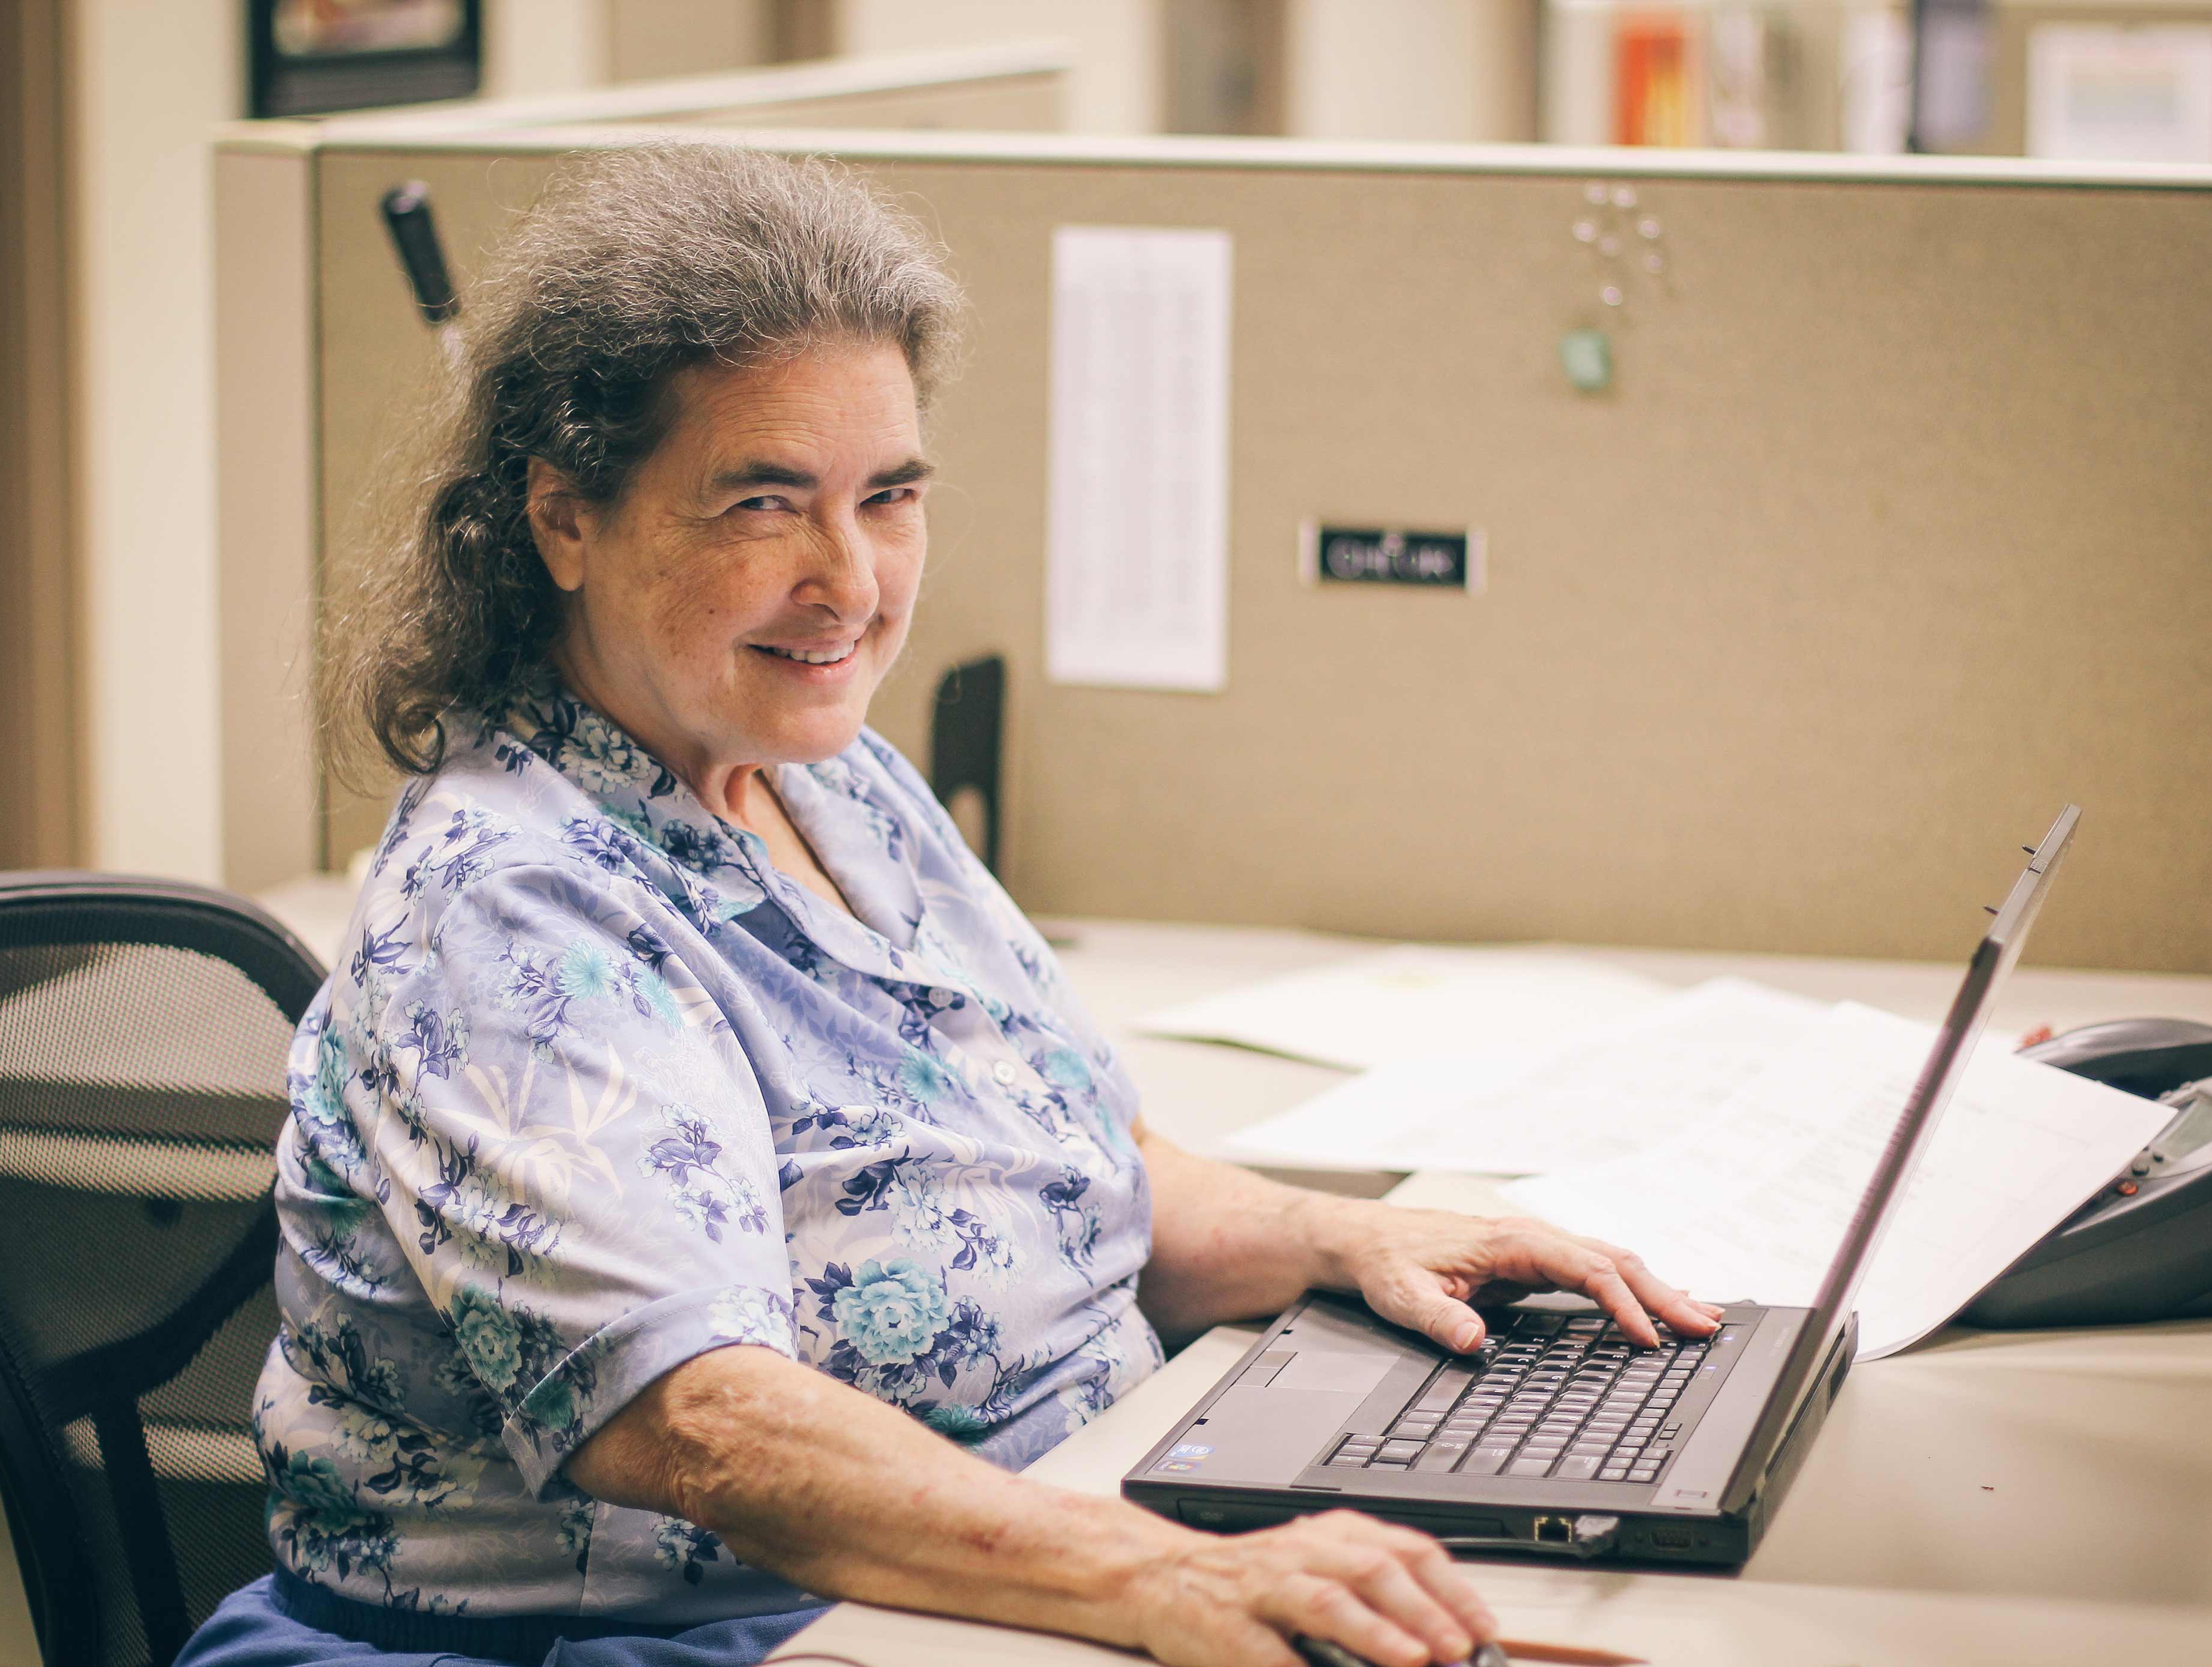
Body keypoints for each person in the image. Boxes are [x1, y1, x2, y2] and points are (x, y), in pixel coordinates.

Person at [175, 142, 1719, 1667]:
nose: (850, 582)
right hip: (695, 1631)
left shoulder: (826, 779)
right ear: (565, 518)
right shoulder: (509, 917)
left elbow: (1059, 1159)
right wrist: (1160, 1580)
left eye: (888, 495)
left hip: (1005, 1556)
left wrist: (1340, 1237)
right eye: (764, 504)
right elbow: (697, 1422)